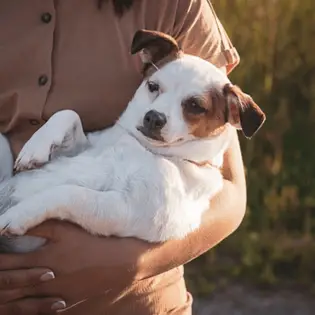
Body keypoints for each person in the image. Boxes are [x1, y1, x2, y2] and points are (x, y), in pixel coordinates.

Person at [0, 0, 246, 314]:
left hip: (136, 303)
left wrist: (129, 265)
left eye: (192, 107)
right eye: (155, 88)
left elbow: (230, 192)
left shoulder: (175, 6)